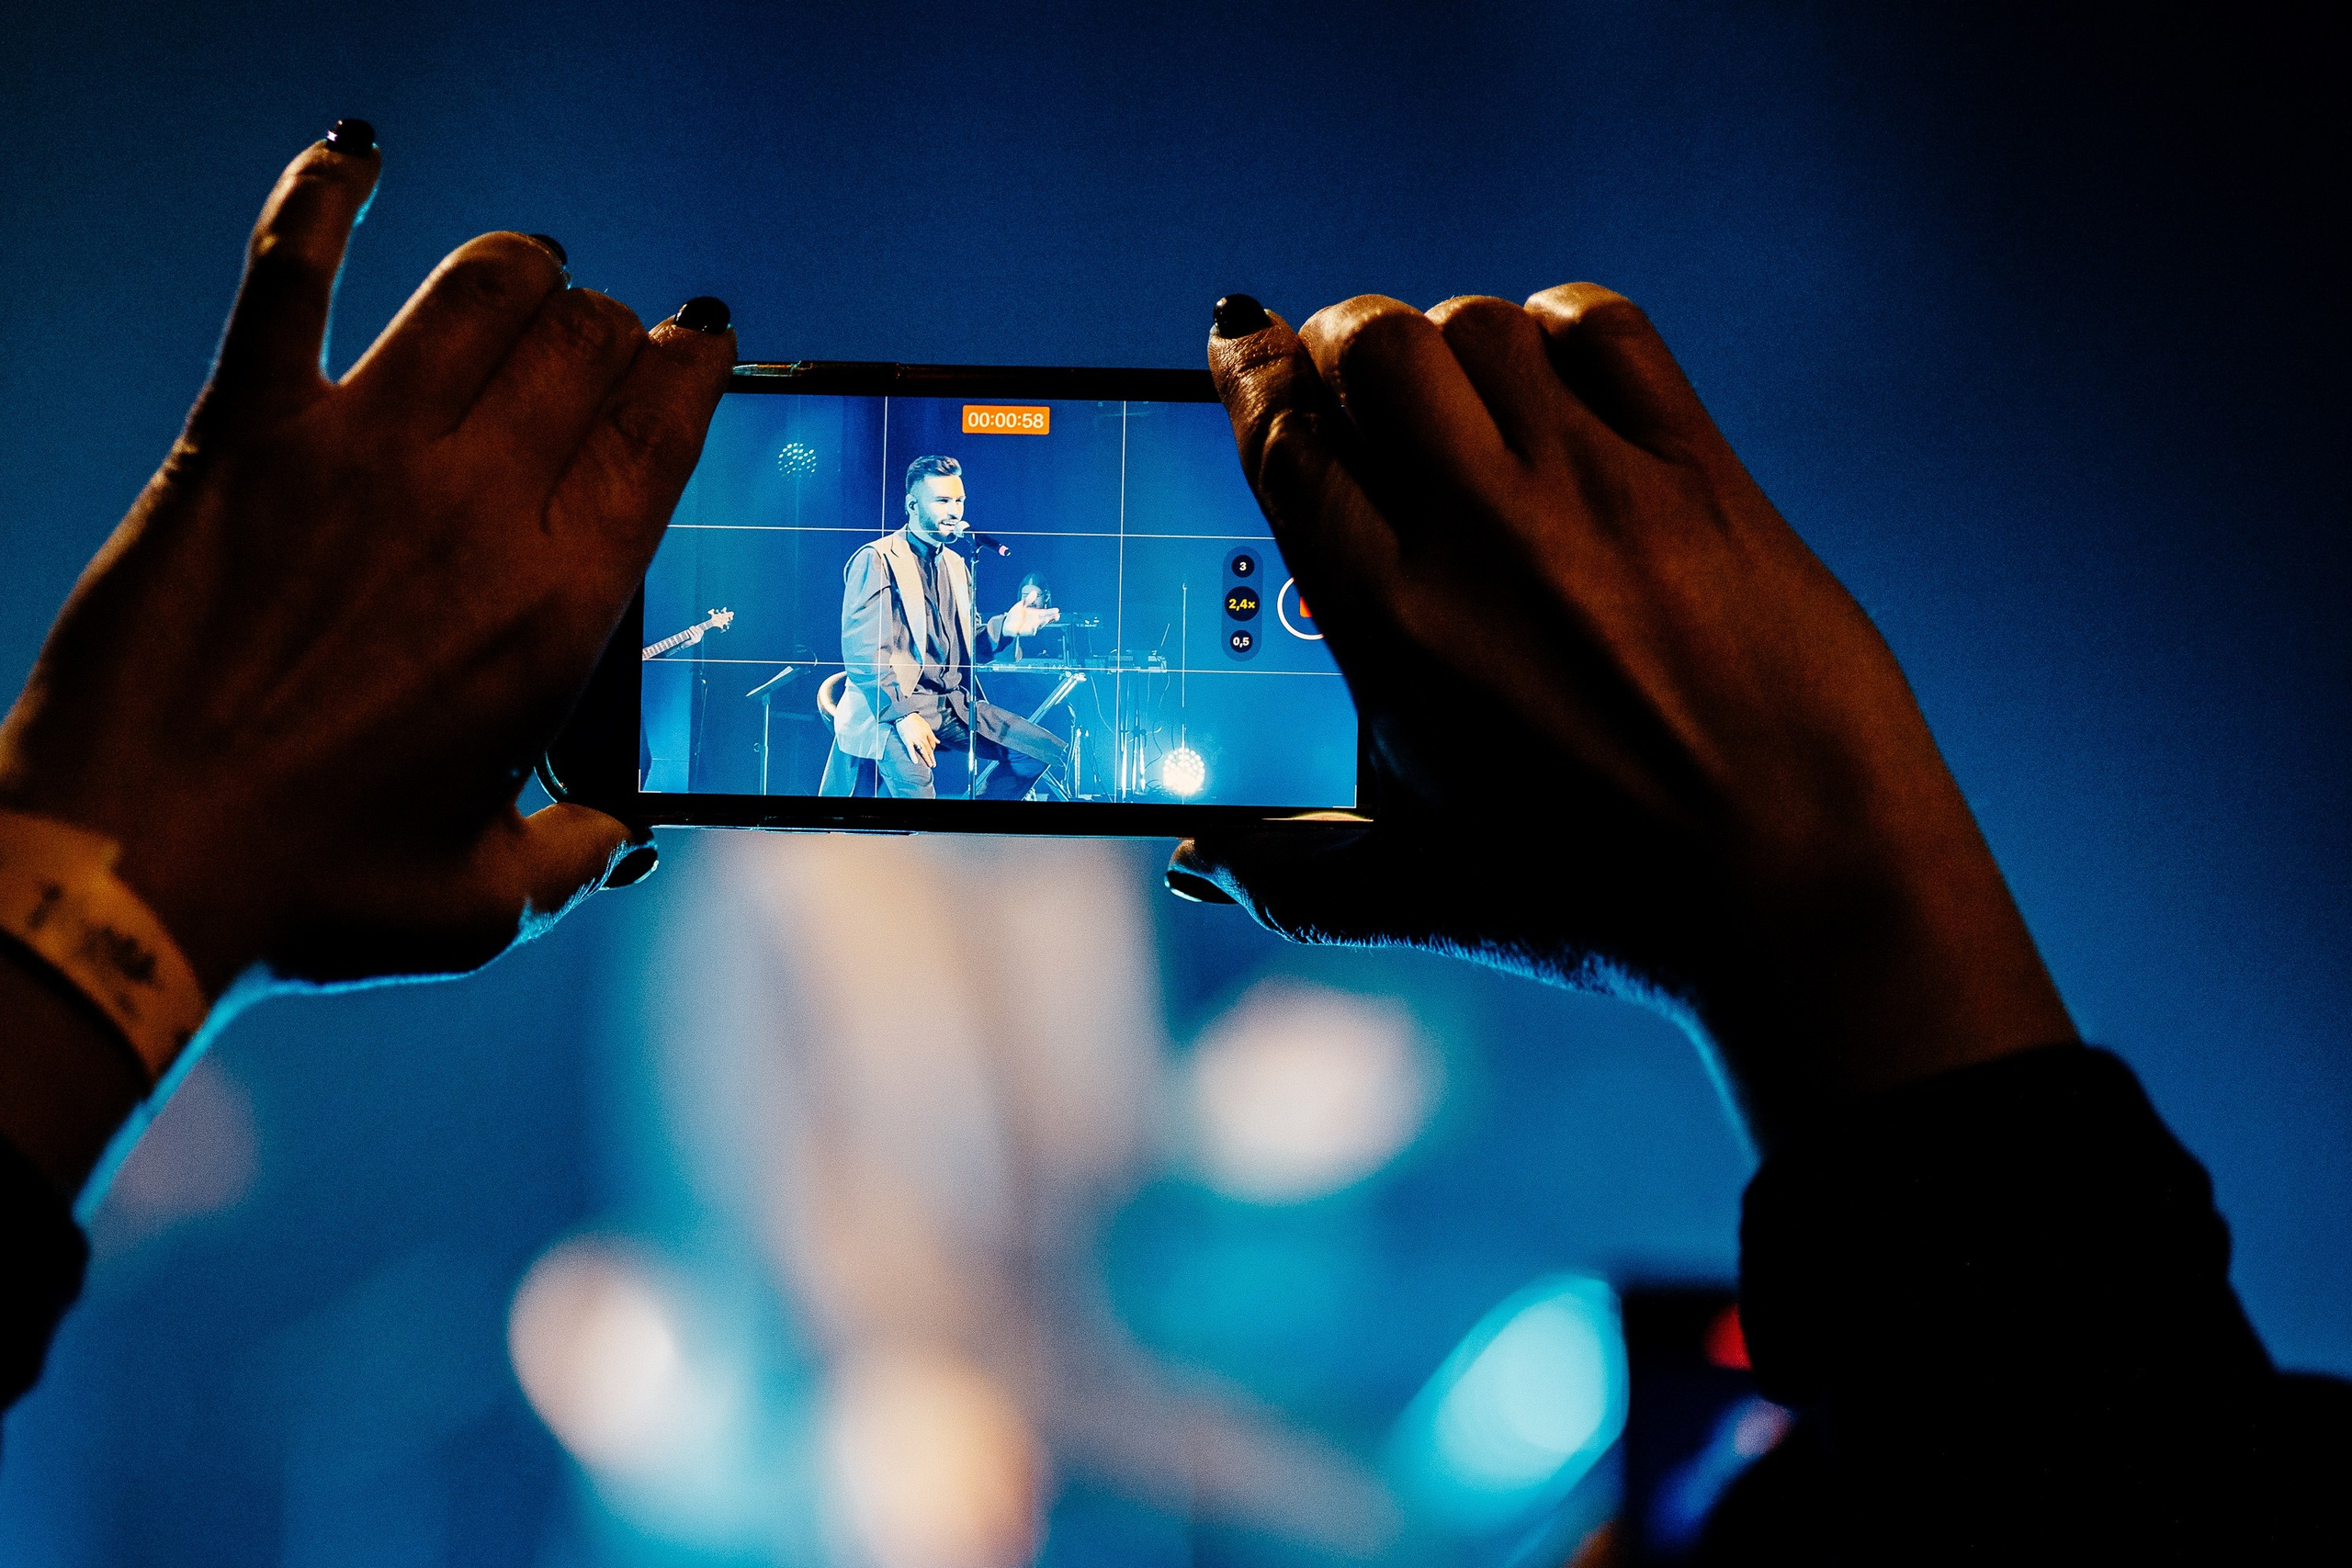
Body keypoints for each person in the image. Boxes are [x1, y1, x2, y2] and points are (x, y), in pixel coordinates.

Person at [0, 130, 2342, 1559]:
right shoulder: (790, 890)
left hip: (1078, 1358)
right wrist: (1858, 904)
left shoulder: (1063, 828)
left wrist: (90, 876)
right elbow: (780, 1226)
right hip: (841, 1387)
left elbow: (1106, 1199)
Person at [819, 455, 1065, 799]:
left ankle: (966, 835)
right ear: (912, 505)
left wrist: (1006, 627)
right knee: (919, 797)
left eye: (959, 500)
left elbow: (969, 645)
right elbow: (864, 656)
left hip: (950, 703)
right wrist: (904, 717)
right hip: (893, 707)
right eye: (942, 501)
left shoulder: (956, 564)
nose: (955, 511)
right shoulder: (878, 559)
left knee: (1039, 751)